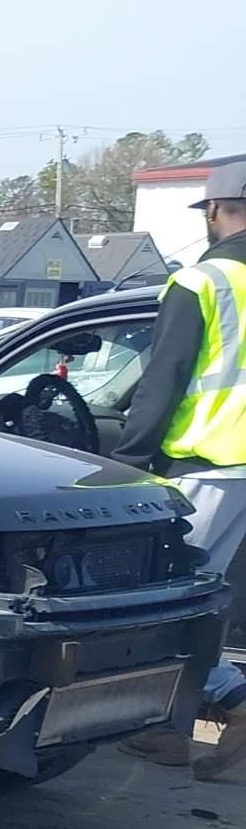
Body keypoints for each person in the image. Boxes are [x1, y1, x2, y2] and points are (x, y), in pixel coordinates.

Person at [117, 162, 246, 781]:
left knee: (162, 603)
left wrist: (128, 465)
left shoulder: (203, 281)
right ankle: (174, 726)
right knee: (201, 599)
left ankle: (220, 709)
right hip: (239, 471)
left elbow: (159, 384)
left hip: (205, 464)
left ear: (217, 212)